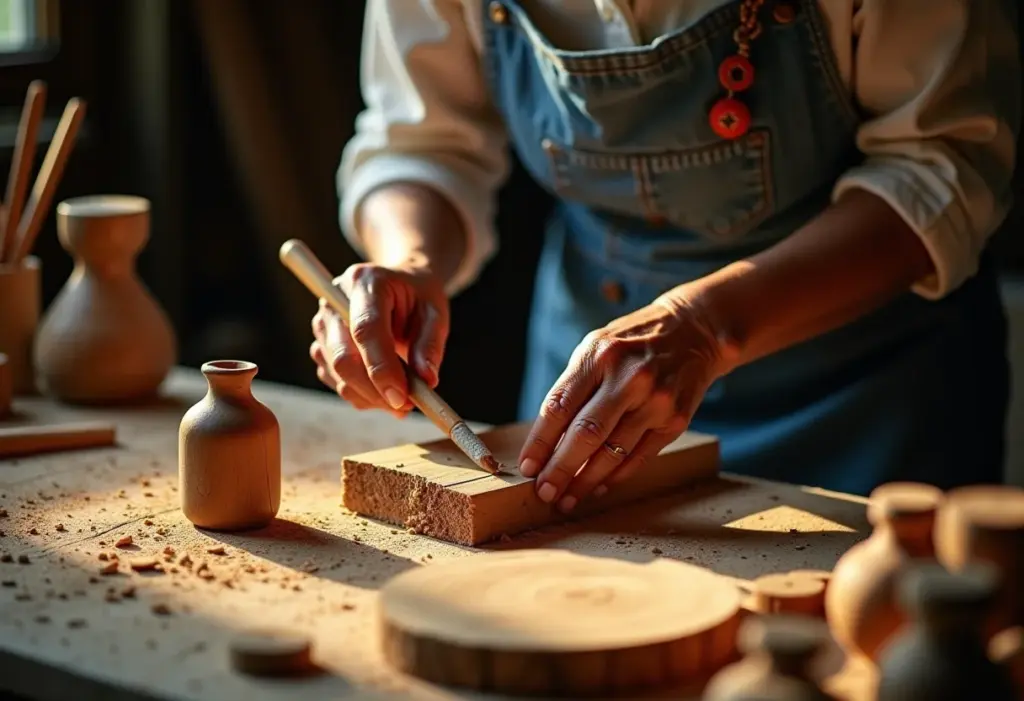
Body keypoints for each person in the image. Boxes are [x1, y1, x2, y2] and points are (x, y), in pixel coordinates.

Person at [311, 0, 1021, 511]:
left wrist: (705, 326)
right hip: (591, 409)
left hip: (864, 405)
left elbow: (941, 169)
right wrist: (410, 261)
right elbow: (423, 143)